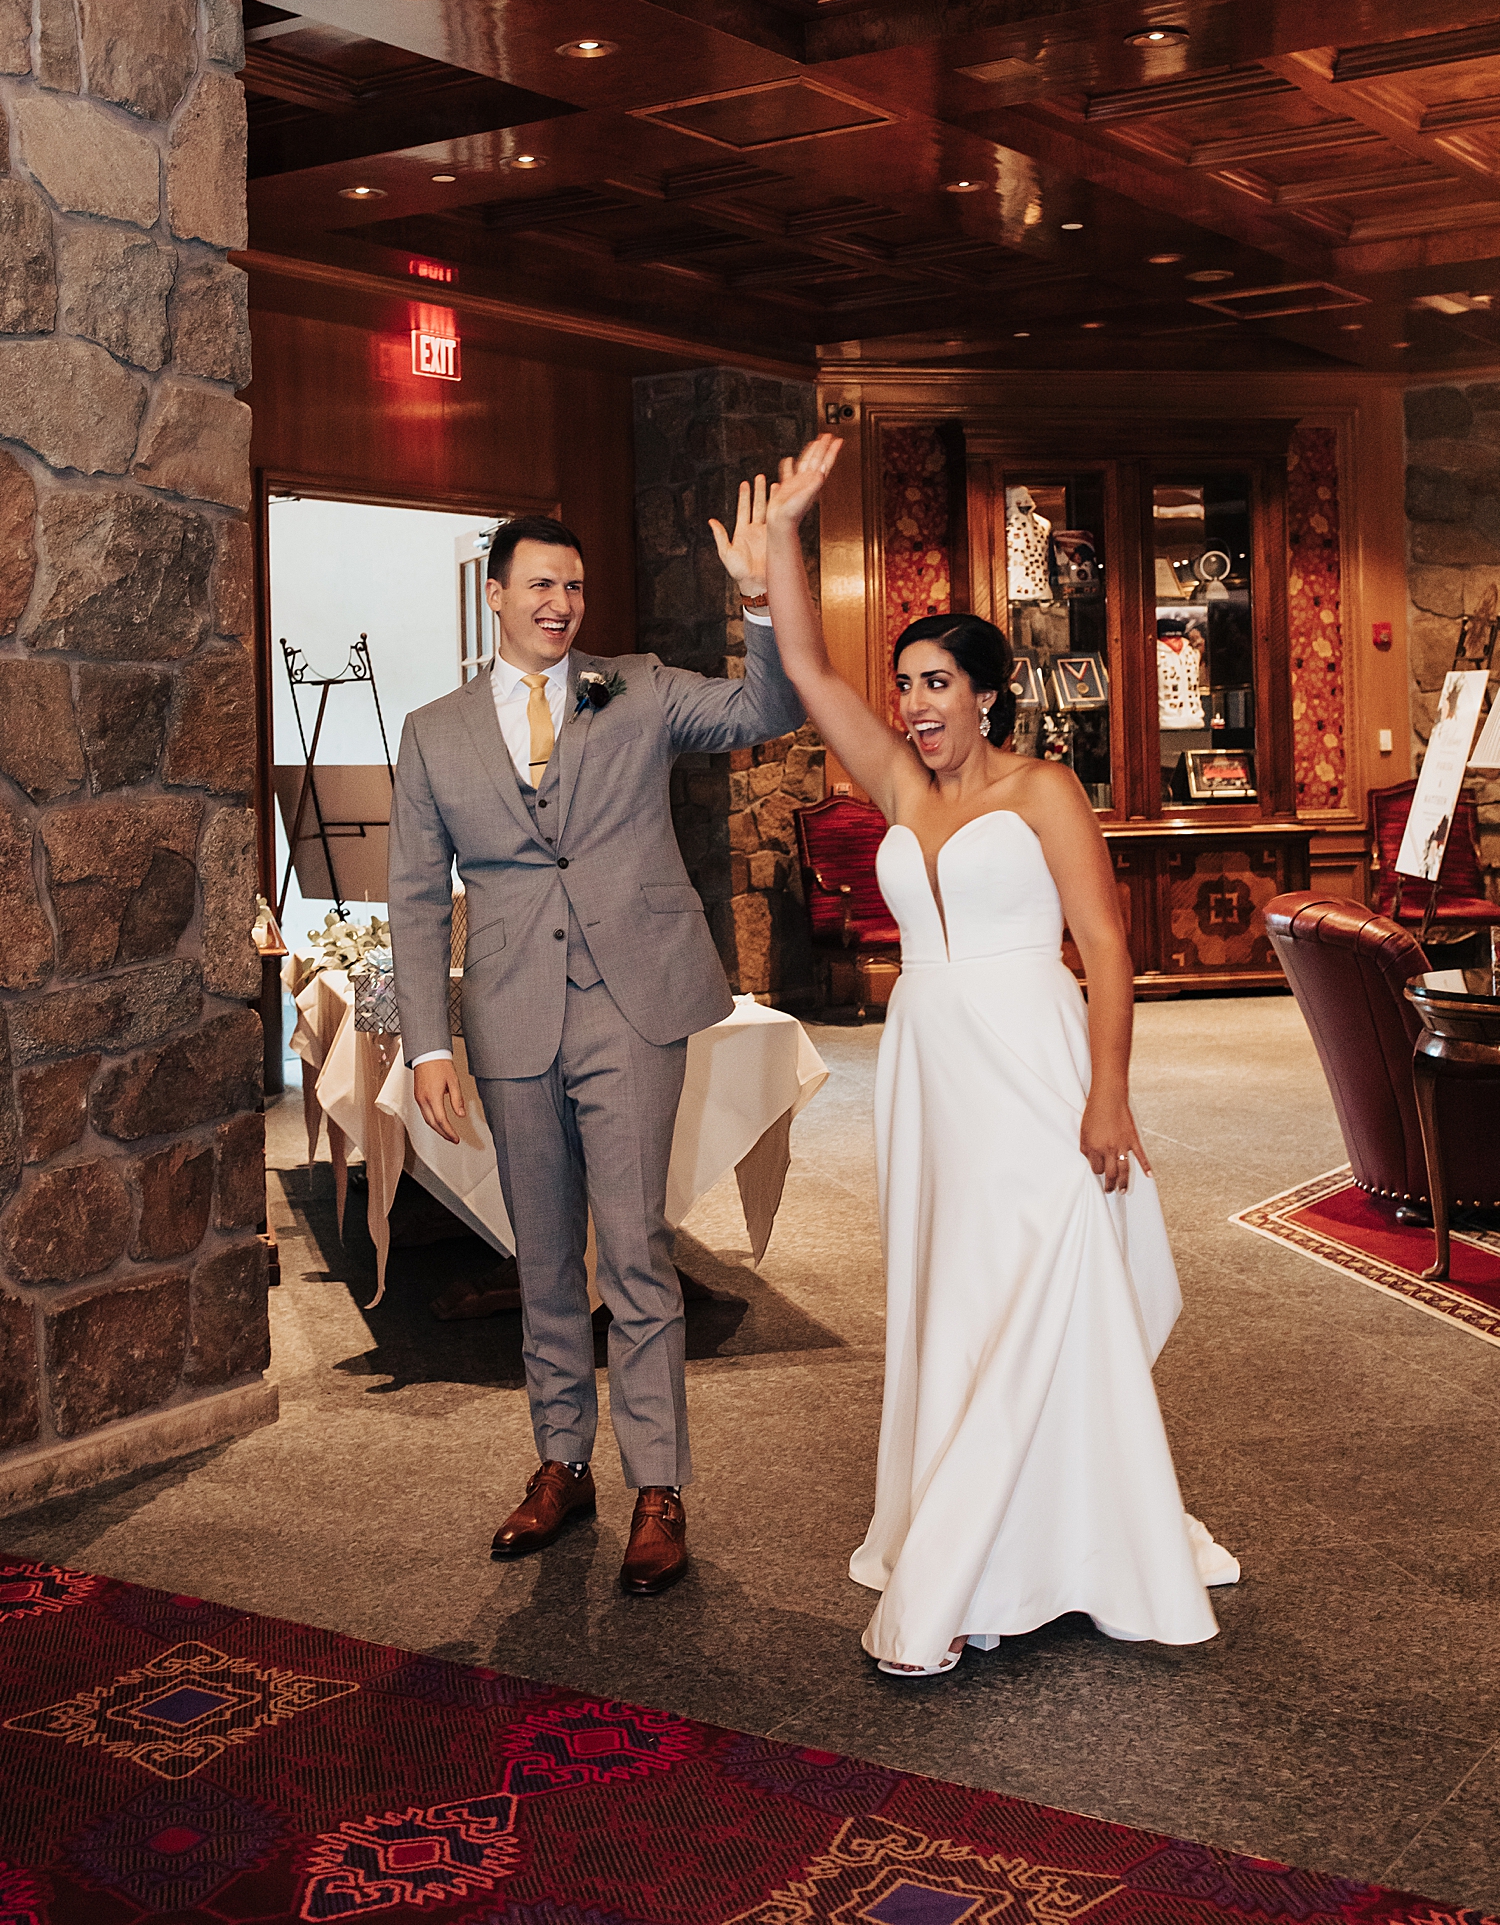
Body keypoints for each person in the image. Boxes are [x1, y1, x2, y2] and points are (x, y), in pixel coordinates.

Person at [763, 435, 1237, 1676]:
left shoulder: (1043, 794)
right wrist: (788, 532)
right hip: (929, 1077)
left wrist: (1109, 1097)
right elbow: (804, 663)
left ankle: (984, 1569)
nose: (914, 704)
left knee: (1049, 1274)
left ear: (987, 693)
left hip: (1035, 1065)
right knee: (958, 1295)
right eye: (906, 684)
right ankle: (1000, 1528)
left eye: (935, 685)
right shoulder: (901, 792)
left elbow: (1109, 952)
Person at [387, 490, 802, 1597]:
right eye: (541, 585)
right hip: (514, 1016)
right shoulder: (433, 733)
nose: (563, 603)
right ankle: (563, 1465)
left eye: (575, 586)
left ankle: (658, 1486)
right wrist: (427, 1042)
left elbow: (769, 705)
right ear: (496, 597)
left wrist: (760, 597)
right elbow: (419, 900)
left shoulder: (639, 686)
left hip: (632, 1006)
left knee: (634, 1251)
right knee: (541, 1261)